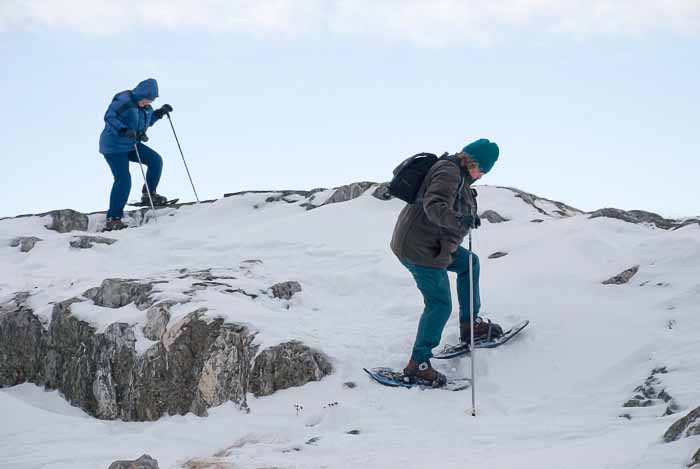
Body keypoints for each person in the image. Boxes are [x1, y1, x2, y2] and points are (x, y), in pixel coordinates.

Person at [390, 138, 503, 387]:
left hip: (435, 244)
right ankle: (418, 364)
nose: (481, 176)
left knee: (469, 263)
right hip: (420, 249)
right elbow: (434, 206)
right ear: (473, 163)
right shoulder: (449, 172)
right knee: (440, 304)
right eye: (483, 170)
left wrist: (466, 216)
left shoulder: (459, 174)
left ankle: (470, 326)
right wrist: (459, 219)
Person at [98, 78, 174, 231]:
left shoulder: (146, 108)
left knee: (155, 160)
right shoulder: (124, 102)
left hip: (132, 144)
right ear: (140, 94)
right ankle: (113, 218)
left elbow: (148, 121)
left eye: (151, 101)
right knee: (124, 179)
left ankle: (149, 194)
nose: (148, 103)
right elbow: (110, 117)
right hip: (114, 147)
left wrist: (159, 113)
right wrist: (123, 129)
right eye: (147, 99)